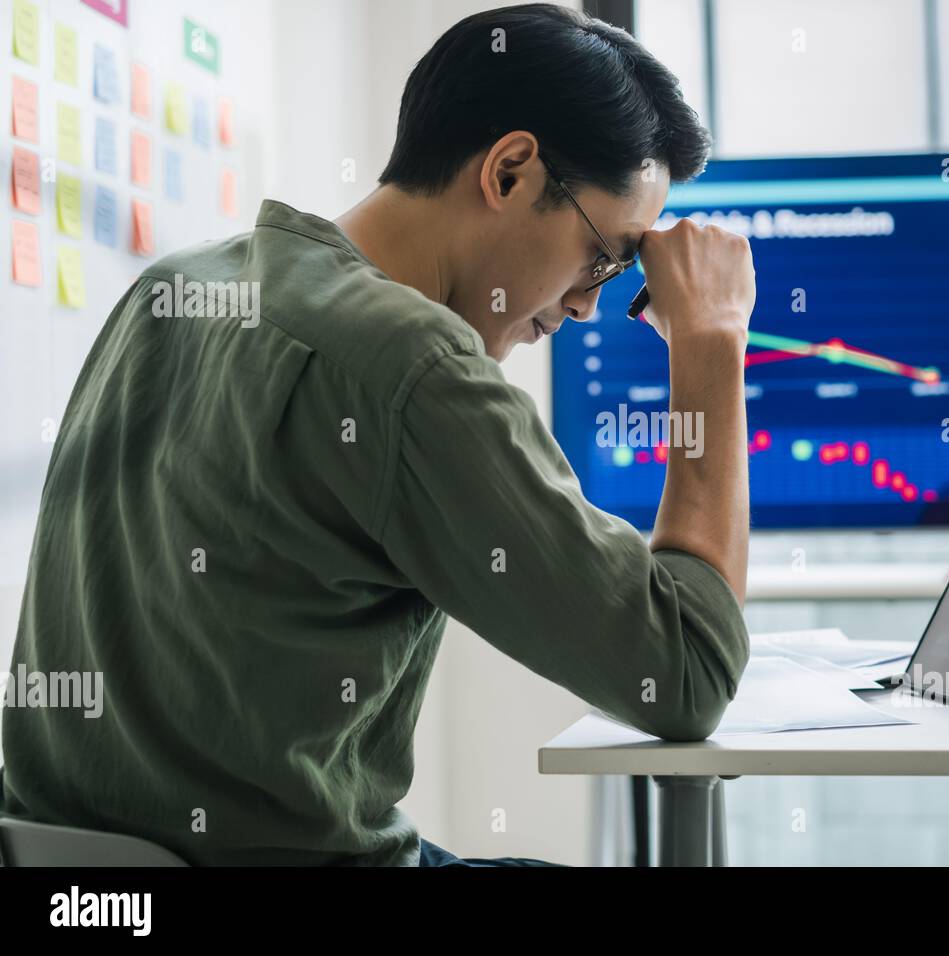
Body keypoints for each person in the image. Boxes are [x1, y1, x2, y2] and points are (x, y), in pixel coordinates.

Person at [0, 4, 756, 866]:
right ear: (509, 172)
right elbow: (687, 673)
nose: (588, 305)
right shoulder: (414, 368)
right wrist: (711, 339)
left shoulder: (172, 288)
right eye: (604, 258)